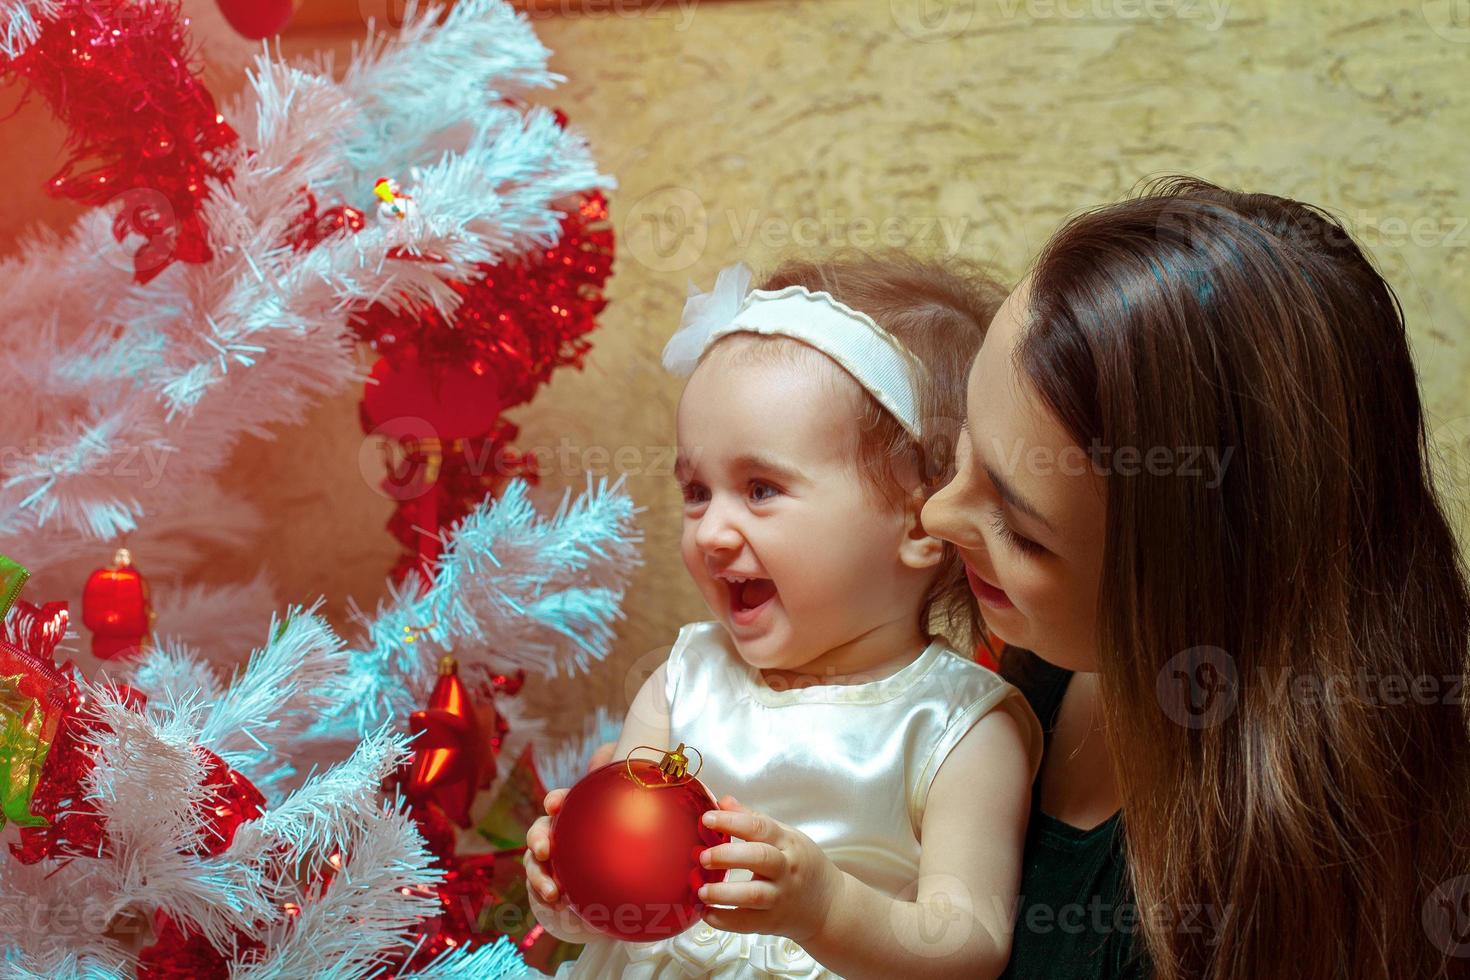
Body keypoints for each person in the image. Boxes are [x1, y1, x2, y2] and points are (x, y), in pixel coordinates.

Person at [920, 176, 1470, 979]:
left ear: (1199, 591)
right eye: (964, 448)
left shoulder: (1276, 902)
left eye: (1024, 535)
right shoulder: (1035, 666)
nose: (937, 516)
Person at [523, 253, 1044, 978]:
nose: (711, 531)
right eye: (697, 491)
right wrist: (572, 887)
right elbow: (624, 897)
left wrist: (825, 909)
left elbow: (971, 944)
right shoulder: (684, 682)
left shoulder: (959, 727)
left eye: (761, 489)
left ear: (921, 522)